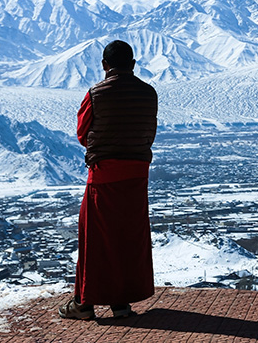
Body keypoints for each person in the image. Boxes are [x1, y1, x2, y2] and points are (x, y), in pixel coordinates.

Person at [59, 40, 158, 320]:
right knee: (127, 236)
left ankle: (84, 303)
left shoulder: (96, 94)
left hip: (103, 175)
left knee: (94, 238)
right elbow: (149, 130)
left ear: (104, 65)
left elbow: (82, 132)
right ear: (134, 65)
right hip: (137, 175)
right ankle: (121, 303)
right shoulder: (148, 94)